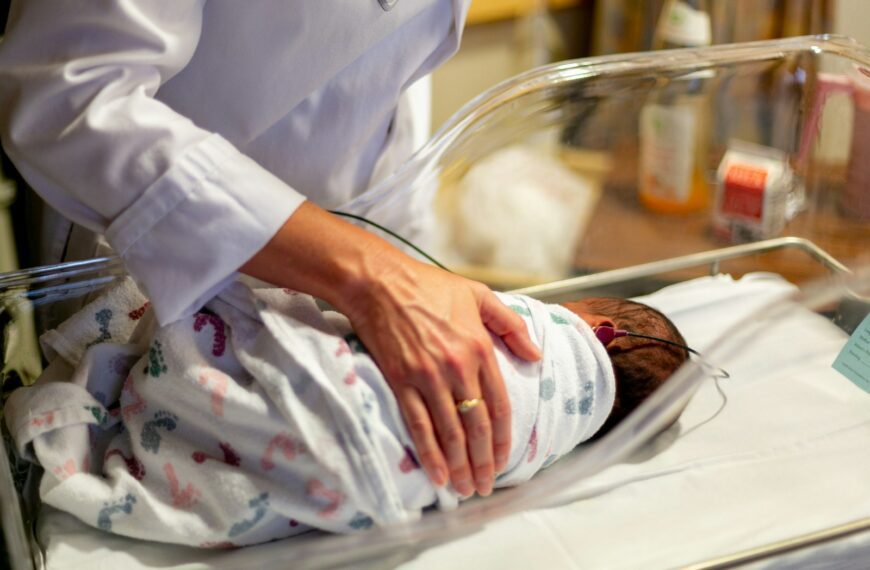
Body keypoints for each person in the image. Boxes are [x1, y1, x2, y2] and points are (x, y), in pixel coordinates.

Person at [0, 1, 543, 501]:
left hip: (364, 237)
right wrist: (370, 276)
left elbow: (383, 59)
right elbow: (68, 93)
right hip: (156, 249)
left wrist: (407, 261)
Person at [5, 278, 688, 546]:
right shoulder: (553, 443)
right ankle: (148, 447)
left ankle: (149, 388)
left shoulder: (548, 330)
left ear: (601, 329)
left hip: (336, 395)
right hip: (360, 480)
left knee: (238, 312)